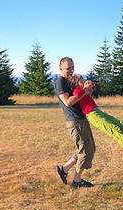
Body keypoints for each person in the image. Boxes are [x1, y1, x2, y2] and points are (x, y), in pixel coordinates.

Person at [68, 75, 123, 153]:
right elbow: (77, 95)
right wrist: (85, 88)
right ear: (76, 84)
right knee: (112, 128)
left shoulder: (84, 90)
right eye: (81, 81)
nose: (83, 82)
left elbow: (92, 89)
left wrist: (92, 84)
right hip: (92, 115)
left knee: (119, 124)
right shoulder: (77, 90)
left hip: (98, 112)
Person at [55, 57, 96, 188]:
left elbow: (80, 95)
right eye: (68, 68)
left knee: (90, 148)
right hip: (74, 121)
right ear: (60, 68)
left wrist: (88, 88)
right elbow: (68, 102)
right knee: (85, 150)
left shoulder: (70, 80)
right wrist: (84, 91)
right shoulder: (61, 82)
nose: (71, 71)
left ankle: (64, 169)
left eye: (73, 68)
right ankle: (77, 181)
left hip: (82, 119)